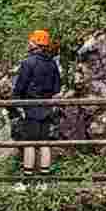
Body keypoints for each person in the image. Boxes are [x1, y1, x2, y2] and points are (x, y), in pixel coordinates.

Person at [11, 29, 66, 178]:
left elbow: (19, 87)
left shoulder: (27, 63)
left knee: (29, 143)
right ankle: (44, 179)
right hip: (48, 108)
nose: (29, 43)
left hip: (31, 108)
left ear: (35, 43)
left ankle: (28, 179)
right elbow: (57, 88)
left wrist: (16, 104)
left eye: (31, 41)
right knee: (45, 144)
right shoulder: (52, 64)